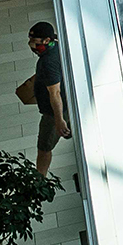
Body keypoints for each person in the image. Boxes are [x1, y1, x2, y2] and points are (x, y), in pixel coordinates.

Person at [28, 22, 72, 176]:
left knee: (44, 147)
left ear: (47, 40)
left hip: (54, 112)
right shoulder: (59, 46)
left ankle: (40, 179)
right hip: (69, 102)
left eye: (35, 42)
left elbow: (54, 93)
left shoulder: (48, 62)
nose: (31, 45)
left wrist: (58, 119)